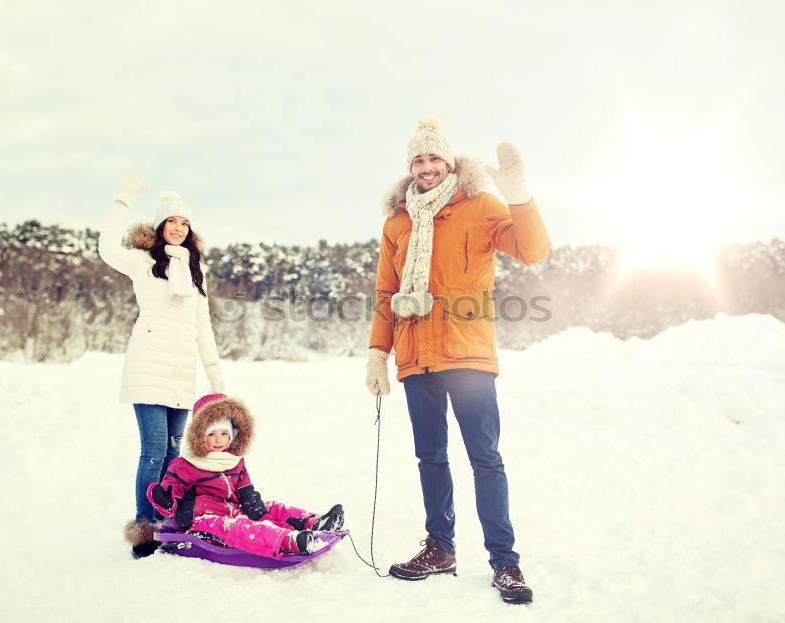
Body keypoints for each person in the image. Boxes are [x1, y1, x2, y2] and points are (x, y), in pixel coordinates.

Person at [364, 117, 550, 604]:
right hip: (415, 356)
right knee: (431, 458)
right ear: (409, 166)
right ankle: (440, 548)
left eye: (433, 158)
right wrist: (376, 354)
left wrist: (519, 196)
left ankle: (505, 562)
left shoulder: (482, 205)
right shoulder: (397, 221)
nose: (426, 168)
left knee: (485, 459)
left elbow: (533, 251)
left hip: (468, 353)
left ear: (449, 162)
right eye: (417, 160)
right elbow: (386, 291)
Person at [98, 176, 226, 558]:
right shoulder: (142, 262)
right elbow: (106, 248)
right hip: (148, 366)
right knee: (153, 450)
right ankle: (145, 527)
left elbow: (203, 328)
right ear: (159, 227)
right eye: (171, 221)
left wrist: (216, 376)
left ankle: (167, 524)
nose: (178, 227)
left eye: (184, 223)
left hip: (181, 371)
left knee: (174, 453)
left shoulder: (194, 272)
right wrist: (123, 200)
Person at [147, 393, 345, 558]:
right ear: (199, 436)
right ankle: (290, 541)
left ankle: (315, 522)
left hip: (232, 507)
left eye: (224, 434)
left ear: (232, 435)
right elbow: (172, 496)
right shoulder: (186, 464)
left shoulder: (234, 460)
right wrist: (165, 501)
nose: (218, 441)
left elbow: (246, 491)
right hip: (201, 518)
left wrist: (261, 515)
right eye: (211, 434)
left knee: (270, 507)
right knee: (240, 528)